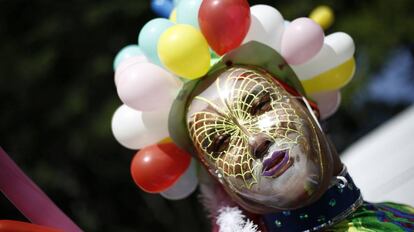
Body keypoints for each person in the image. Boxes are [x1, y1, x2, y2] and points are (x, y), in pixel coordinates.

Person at [168, 42, 414, 232]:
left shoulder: (401, 215)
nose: (255, 141)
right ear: (218, 178)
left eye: (260, 105)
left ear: (307, 105)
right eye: (221, 142)